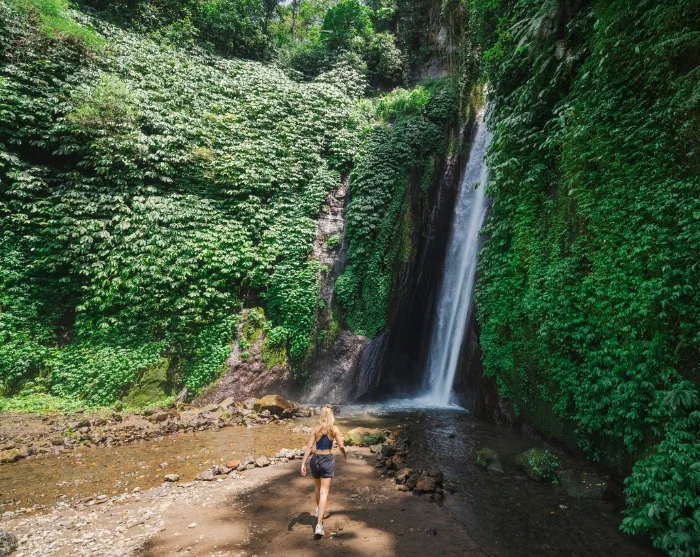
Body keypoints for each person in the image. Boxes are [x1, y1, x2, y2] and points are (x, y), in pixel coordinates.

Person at [300, 405, 346, 537]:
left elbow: (309, 447)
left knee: (317, 487)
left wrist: (303, 463)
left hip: (315, 460)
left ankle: (318, 510)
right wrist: (344, 453)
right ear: (331, 416)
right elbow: (341, 445)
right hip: (327, 460)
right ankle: (319, 525)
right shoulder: (334, 429)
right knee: (324, 492)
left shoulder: (316, 429)